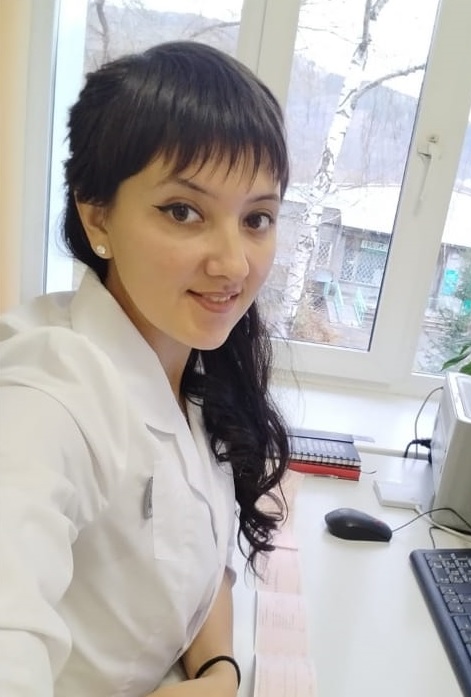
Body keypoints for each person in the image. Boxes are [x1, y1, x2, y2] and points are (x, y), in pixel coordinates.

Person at [0, 41, 290, 696]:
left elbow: (199, 551)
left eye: (256, 218)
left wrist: (218, 670)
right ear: (96, 214)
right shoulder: (48, 391)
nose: (233, 263)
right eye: (184, 211)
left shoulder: (191, 367)